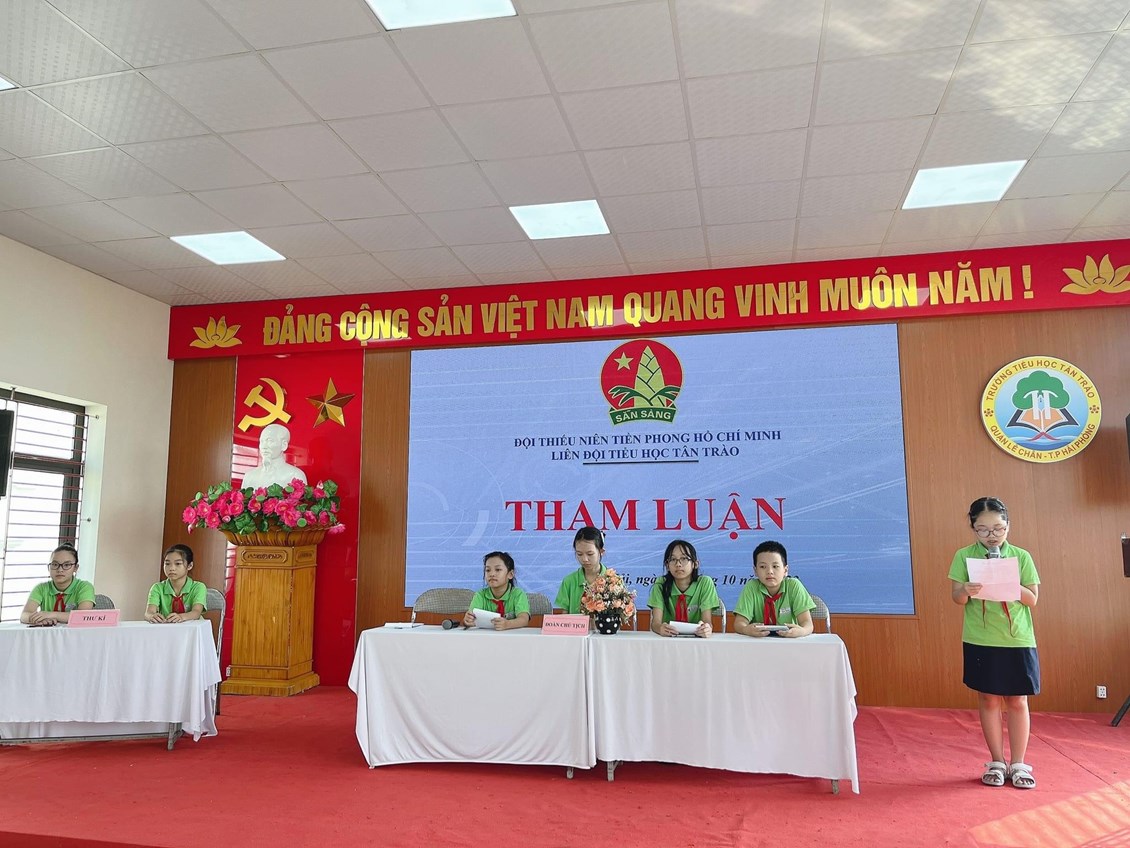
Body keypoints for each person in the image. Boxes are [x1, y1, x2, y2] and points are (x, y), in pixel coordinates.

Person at [948, 496, 1040, 790]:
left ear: (1008, 525)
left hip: (1017, 639)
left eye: (998, 529)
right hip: (981, 638)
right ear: (973, 528)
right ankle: (997, 762)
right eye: (983, 529)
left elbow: (1033, 599)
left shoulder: (1021, 556)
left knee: (1017, 700)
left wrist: (1009, 584)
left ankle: (1019, 763)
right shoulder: (964, 556)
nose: (992, 536)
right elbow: (957, 598)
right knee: (988, 699)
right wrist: (966, 589)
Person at [733, 540, 815, 638]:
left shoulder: (794, 586)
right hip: (759, 642)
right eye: (763, 567)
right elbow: (739, 623)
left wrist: (801, 631)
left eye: (775, 566)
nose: (770, 571)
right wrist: (746, 629)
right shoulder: (751, 587)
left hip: (789, 641)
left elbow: (807, 624)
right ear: (755, 571)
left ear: (785, 570)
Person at [648, 539, 717, 637]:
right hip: (667, 640)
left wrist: (706, 629)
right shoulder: (660, 585)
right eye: (673, 559)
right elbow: (655, 623)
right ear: (667, 565)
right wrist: (660, 628)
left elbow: (707, 621)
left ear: (695, 564)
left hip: (697, 641)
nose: (678, 564)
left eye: (684, 558)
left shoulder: (705, 583)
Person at [19, 543, 95, 626]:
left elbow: (83, 617)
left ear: (75, 568)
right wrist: (40, 620)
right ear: (48, 567)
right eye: (55, 564)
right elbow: (24, 615)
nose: (60, 570)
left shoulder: (84, 587)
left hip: (76, 633)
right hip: (47, 633)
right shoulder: (41, 588)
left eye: (66, 565)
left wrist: (50, 615)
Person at [462, 551, 530, 631]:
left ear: (510, 574)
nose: (492, 574)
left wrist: (507, 624)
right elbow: (470, 618)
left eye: (498, 569)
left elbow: (524, 619)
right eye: (488, 570)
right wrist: (467, 620)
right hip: (485, 637)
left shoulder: (518, 594)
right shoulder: (480, 595)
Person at [145, 544, 207, 624]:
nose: (171, 568)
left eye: (178, 564)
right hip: (167, 629)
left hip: (192, 629)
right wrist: (152, 616)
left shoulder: (198, 587)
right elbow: (149, 612)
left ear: (190, 565)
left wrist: (181, 617)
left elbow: (196, 612)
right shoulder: (157, 587)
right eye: (167, 564)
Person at [554, 527, 607, 614]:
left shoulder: (613, 581)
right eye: (579, 554)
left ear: (601, 552)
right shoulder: (569, 582)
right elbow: (564, 616)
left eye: (590, 554)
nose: (584, 559)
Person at [241, 423, 307, 491]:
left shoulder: (296, 475)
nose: (264, 446)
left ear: (284, 445)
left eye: (270, 441)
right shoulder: (249, 476)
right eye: (261, 441)